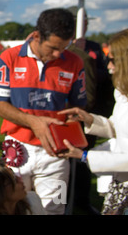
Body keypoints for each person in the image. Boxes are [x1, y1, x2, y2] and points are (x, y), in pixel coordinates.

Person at [0, 8, 87, 215]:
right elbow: (0, 105)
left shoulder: (75, 62)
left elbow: (78, 108)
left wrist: (70, 124)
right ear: (36, 36)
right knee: (11, 208)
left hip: (56, 154)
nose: (58, 54)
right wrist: (35, 122)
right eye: (53, 47)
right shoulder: (10, 57)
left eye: (64, 47)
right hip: (17, 149)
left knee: (54, 210)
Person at [58, 28, 128, 215]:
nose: (109, 66)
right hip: (121, 184)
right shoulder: (122, 94)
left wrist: (85, 157)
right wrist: (89, 119)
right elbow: (117, 128)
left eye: (112, 60)